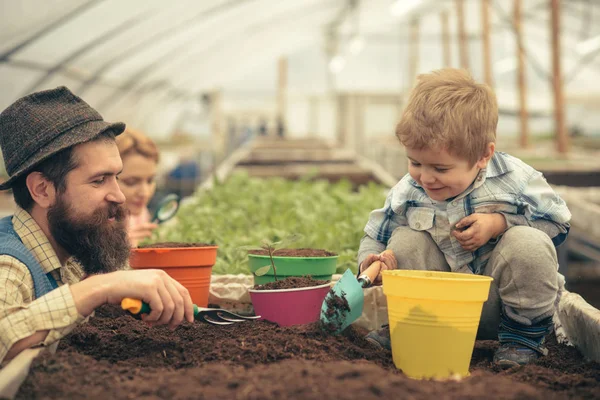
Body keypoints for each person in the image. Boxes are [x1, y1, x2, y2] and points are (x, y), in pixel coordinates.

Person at [357, 69, 571, 368]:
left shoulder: (517, 179)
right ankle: (412, 326)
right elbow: (376, 235)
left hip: (504, 308)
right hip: (437, 307)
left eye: (441, 169)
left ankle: (522, 341)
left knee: (528, 241)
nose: (425, 177)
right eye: (415, 162)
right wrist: (371, 259)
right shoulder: (409, 189)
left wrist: (500, 223)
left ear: (483, 155)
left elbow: (559, 223)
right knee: (405, 238)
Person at [0, 87, 194, 364]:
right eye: (98, 180)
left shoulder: (74, 248)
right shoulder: (9, 265)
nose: (120, 196)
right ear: (42, 190)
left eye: (117, 177)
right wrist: (101, 288)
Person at [115, 128, 160, 247]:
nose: (144, 193)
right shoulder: (89, 224)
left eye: (150, 180)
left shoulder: (140, 212)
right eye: (131, 182)